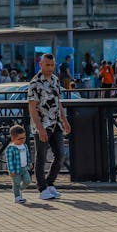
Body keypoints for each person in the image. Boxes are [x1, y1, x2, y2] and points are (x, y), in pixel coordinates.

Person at [27, 53, 71, 201]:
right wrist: (40, 128)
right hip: (42, 125)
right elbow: (32, 108)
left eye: (52, 65)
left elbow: (58, 102)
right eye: (47, 65)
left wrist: (64, 120)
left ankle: (50, 183)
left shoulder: (55, 80)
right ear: (41, 65)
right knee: (41, 157)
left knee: (61, 154)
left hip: (56, 123)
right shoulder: (35, 83)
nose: (50, 68)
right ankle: (42, 188)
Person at [5, 124, 33, 204]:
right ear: (13, 138)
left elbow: (27, 156)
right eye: (19, 138)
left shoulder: (24, 146)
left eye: (24, 137)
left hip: (24, 168)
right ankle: (17, 197)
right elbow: (9, 160)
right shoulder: (11, 148)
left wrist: (29, 163)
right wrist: (11, 170)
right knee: (16, 183)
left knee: (27, 181)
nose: (22, 140)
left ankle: (19, 190)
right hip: (16, 170)